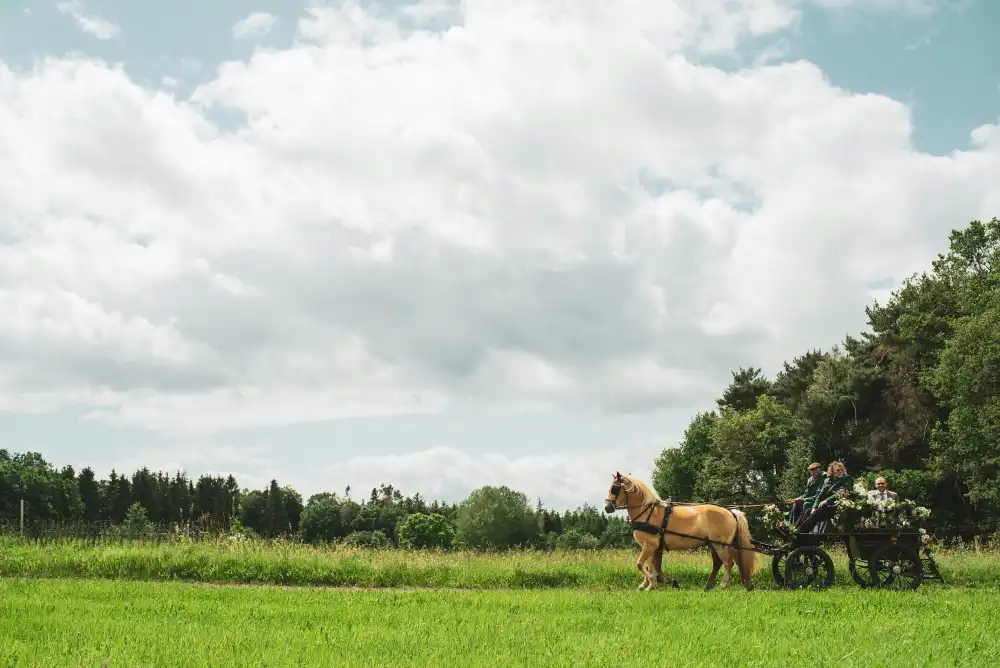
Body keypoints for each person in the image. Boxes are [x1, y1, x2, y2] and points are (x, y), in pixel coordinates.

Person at [795, 460, 853, 534]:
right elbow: (821, 494)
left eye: (841, 470)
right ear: (832, 471)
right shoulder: (828, 480)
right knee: (808, 511)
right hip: (825, 506)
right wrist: (814, 507)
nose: (840, 472)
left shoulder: (847, 479)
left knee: (817, 513)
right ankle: (793, 529)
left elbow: (841, 492)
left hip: (836, 505)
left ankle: (799, 533)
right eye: (837, 470)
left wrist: (827, 500)